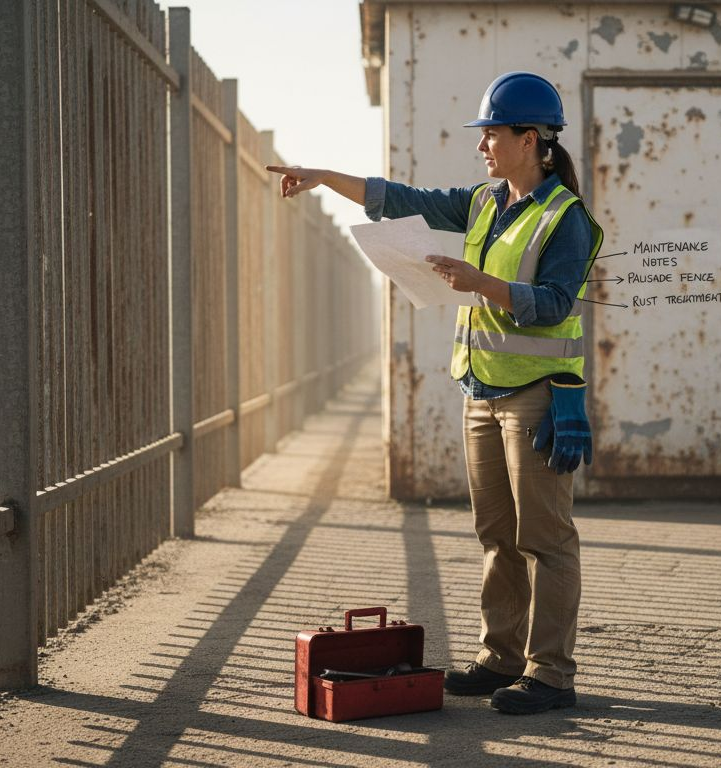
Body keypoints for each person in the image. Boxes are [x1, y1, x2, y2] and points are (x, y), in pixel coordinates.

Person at [267, 71, 602, 715]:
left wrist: (480, 282)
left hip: (536, 397)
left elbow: (556, 302)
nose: (482, 145)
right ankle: (501, 658)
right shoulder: (483, 202)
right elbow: (398, 197)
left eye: (493, 134)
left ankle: (552, 675)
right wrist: (321, 176)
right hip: (481, 392)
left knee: (546, 538)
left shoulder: (567, 219)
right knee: (496, 533)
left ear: (530, 140)